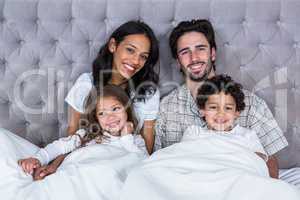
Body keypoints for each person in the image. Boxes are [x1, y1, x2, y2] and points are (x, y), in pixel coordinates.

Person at [154, 19, 299, 186]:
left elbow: (270, 161)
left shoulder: (250, 103)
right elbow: (159, 162)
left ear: (213, 53)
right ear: (178, 61)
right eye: (185, 52)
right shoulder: (167, 107)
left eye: (201, 49)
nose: (194, 58)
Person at [34, 20, 160, 180]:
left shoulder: (147, 91)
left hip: (127, 160)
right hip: (90, 158)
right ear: (113, 45)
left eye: (143, 57)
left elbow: (148, 136)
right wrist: (54, 166)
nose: (136, 61)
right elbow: (73, 133)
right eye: (130, 50)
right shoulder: (86, 83)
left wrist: (142, 174)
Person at [18, 85, 147, 176]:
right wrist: (38, 159)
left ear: (127, 110)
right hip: (80, 173)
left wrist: (126, 137)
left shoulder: (135, 140)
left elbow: (143, 163)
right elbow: (60, 146)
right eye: (102, 113)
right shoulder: (87, 135)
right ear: (96, 118)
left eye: (115, 109)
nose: (110, 117)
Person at [183, 74, 270, 174]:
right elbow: (184, 158)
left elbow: (258, 162)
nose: (220, 113)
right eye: (213, 107)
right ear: (202, 111)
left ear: (237, 113)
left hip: (237, 175)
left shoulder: (247, 135)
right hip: (204, 174)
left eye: (228, 108)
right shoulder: (194, 132)